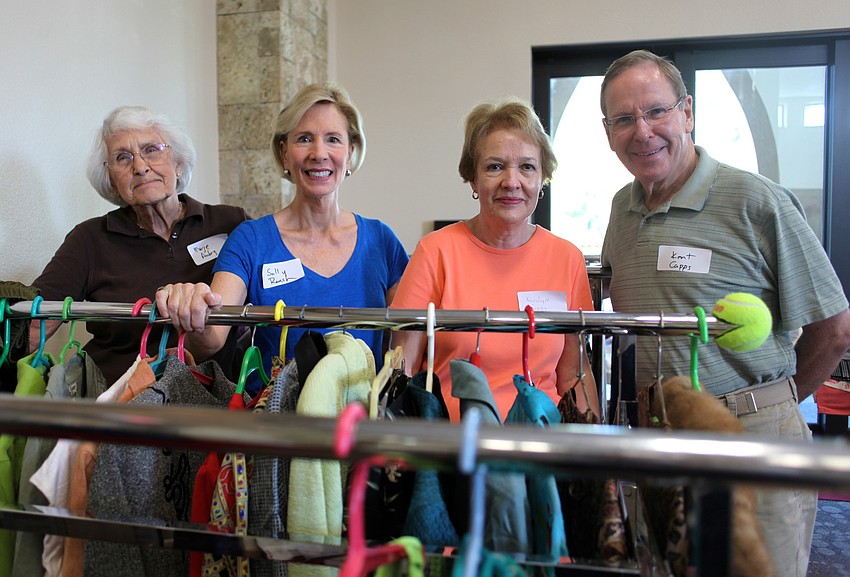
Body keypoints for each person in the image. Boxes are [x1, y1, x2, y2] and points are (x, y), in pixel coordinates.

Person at [598, 49, 850, 577]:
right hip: (658, 439)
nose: (642, 131)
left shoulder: (758, 202)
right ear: (608, 131)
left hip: (751, 435)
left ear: (687, 112)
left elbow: (834, 330)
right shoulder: (620, 212)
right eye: (624, 119)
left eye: (656, 111)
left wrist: (768, 405)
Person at [156, 83, 409, 381]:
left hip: (360, 418)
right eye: (304, 139)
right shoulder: (250, 239)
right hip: (274, 417)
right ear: (284, 153)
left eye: (333, 139)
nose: (319, 153)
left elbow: (408, 339)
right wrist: (191, 310)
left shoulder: (382, 241)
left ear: (350, 152)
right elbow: (212, 339)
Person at [391, 97, 600, 423]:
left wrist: (596, 466)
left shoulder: (567, 258)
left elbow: (574, 373)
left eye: (527, 167)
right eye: (495, 166)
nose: (511, 181)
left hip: (542, 448)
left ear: (542, 178)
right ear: (473, 179)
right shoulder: (435, 252)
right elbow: (401, 367)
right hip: (453, 451)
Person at [32, 106, 249, 384]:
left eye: (152, 149)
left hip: (215, 395)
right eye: (123, 157)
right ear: (111, 180)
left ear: (179, 163)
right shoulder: (89, 239)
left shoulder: (230, 222)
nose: (140, 166)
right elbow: (33, 322)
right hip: (120, 397)